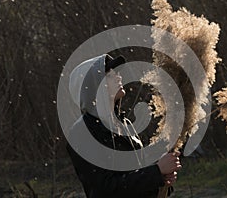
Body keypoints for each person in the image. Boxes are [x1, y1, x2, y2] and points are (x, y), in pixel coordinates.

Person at [66, 54, 182, 198]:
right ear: (94, 87)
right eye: (109, 75)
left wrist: (161, 179)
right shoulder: (82, 132)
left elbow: (135, 178)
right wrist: (156, 172)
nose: (118, 77)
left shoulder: (124, 123)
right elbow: (103, 189)